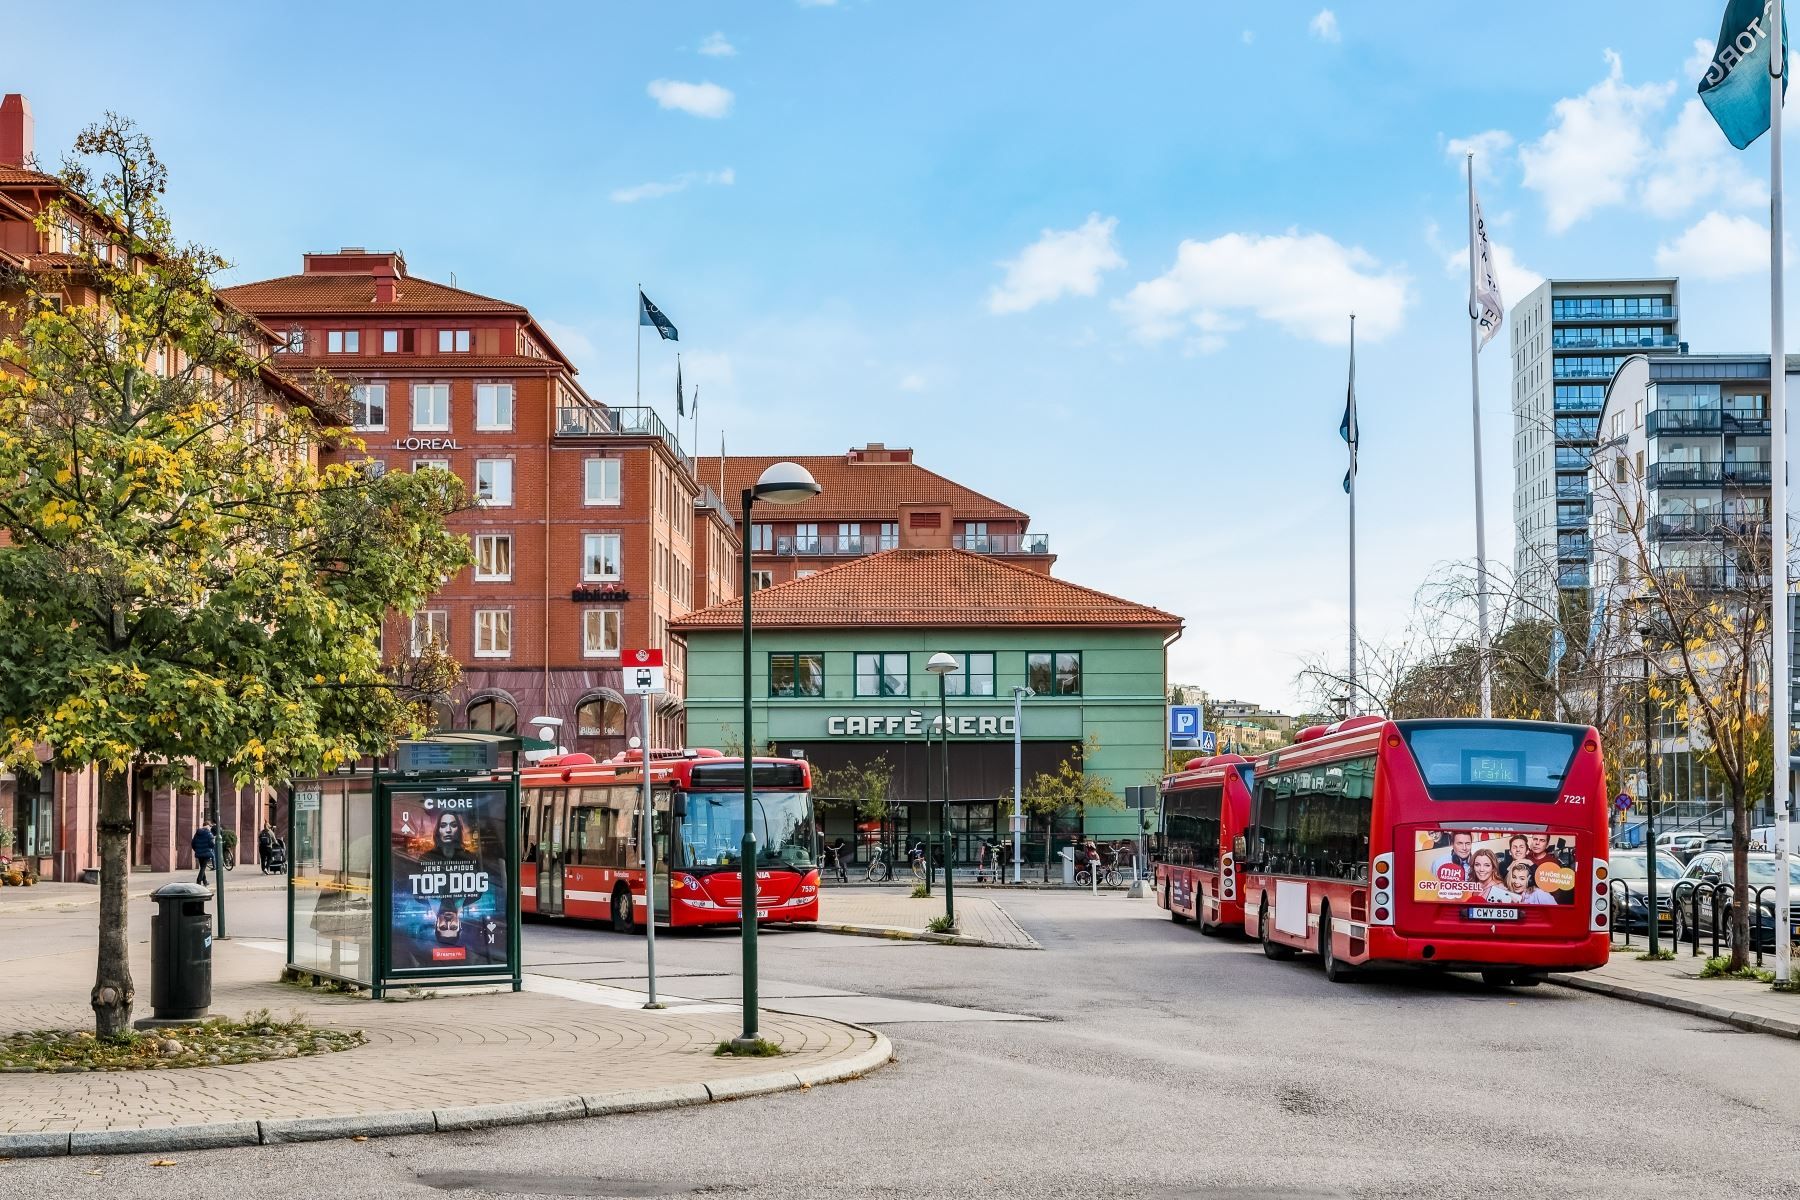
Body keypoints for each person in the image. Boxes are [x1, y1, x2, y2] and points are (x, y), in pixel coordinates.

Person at [191, 821, 216, 886]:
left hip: (199, 853)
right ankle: (198, 881)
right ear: (208, 826)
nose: (211, 828)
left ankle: (205, 881)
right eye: (210, 826)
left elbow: (193, 843)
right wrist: (211, 847)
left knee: (202, 867)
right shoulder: (209, 833)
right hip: (206, 853)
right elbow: (212, 844)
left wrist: (197, 850)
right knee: (203, 867)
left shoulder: (197, 833)